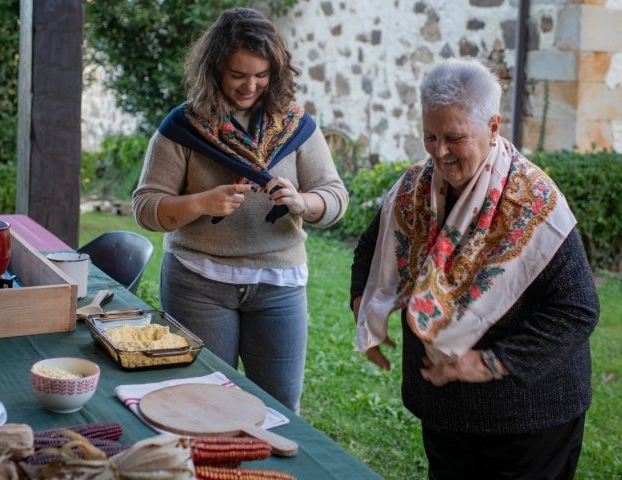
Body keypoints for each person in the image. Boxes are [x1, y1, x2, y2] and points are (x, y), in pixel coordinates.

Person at [350, 57, 599, 479]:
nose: (439, 152)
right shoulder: (413, 188)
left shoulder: (534, 203)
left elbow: (577, 310)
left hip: (529, 417)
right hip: (445, 409)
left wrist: (487, 362)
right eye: (430, 136)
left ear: (493, 127)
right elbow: (370, 248)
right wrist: (365, 308)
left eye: (454, 137)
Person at [132, 7, 348, 413]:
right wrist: (201, 203)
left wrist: (305, 202)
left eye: (261, 75)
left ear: (276, 72)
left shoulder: (297, 126)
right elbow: (146, 208)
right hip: (198, 282)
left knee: (281, 406)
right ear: (214, 69)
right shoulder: (183, 127)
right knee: (201, 403)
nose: (251, 85)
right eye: (238, 75)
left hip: (279, 284)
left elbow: (334, 196)